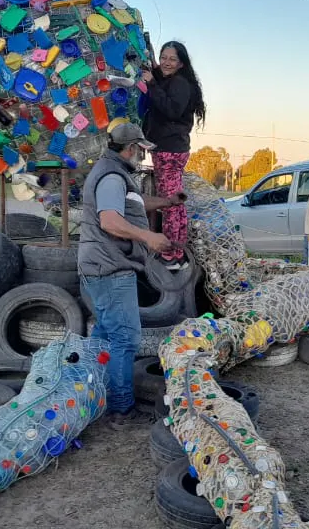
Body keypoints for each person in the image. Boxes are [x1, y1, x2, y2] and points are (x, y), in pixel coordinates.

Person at [79, 122, 184, 430]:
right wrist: (148, 237)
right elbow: (110, 221)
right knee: (125, 338)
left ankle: (89, 392)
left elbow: (132, 204)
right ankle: (121, 411)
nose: (141, 156)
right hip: (110, 267)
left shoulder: (115, 172)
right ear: (131, 148)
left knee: (105, 335)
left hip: (102, 265)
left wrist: (166, 202)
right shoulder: (111, 176)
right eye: (140, 150)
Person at [141, 41, 207, 271]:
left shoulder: (179, 83)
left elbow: (171, 109)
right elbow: (158, 75)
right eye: (164, 57)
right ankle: (178, 251)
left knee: (168, 203)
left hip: (169, 150)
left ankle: (170, 256)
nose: (167, 63)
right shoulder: (173, 79)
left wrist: (151, 85)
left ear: (181, 63)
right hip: (174, 148)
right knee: (176, 204)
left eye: (172, 59)